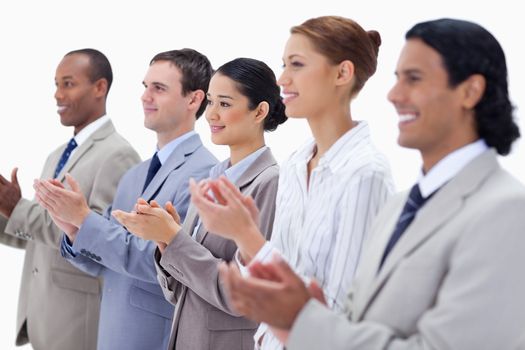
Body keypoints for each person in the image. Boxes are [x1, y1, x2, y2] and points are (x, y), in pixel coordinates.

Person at [217, 18, 525, 350]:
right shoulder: (400, 205)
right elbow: (359, 316)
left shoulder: (505, 209)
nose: (393, 95)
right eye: (397, 78)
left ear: (470, 91)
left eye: (414, 79)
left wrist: (298, 317)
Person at [188, 16, 394, 349]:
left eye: (296, 65)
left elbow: (341, 315)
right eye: (284, 65)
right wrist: (244, 237)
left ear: (342, 73)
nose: (283, 79)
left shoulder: (364, 174)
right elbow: (274, 280)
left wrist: (245, 234)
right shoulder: (298, 163)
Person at [33, 49, 217, 350]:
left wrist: (84, 219)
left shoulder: (205, 174)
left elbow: (165, 265)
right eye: (145, 87)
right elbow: (103, 261)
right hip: (110, 332)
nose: (146, 97)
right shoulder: (134, 175)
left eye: (159, 88)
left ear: (194, 99)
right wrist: (72, 229)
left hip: (153, 336)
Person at [112, 57, 287, 350]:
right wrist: (165, 243)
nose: (211, 114)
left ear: (260, 111)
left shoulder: (270, 183)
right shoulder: (212, 177)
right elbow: (180, 292)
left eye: (225, 104)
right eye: (211, 102)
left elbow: (244, 295)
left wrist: (175, 238)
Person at [0, 49, 140, 350]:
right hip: (42, 316)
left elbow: (97, 240)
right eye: (56, 84)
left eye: (68, 84)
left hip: (77, 323)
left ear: (100, 87)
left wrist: (17, 207)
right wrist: (6, 214)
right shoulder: (56, 154)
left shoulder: (119, 155)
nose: (57, 95)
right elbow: (39, 236)